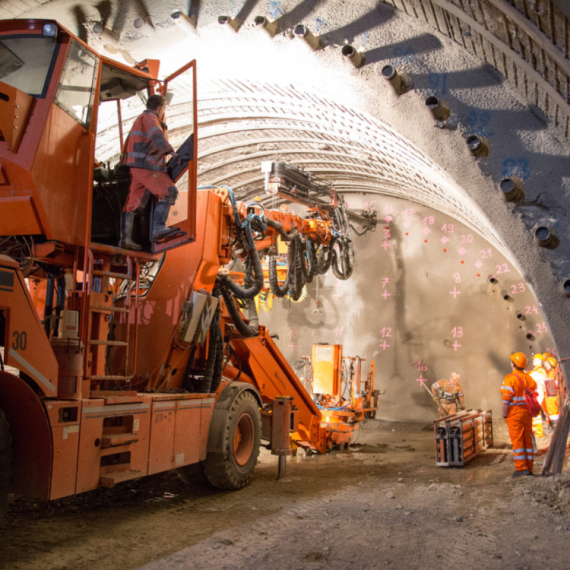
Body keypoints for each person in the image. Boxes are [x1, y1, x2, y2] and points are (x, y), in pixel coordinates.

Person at [119, 94, 180, 250]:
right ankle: (158, 228)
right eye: (163, 109)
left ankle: (125, 239)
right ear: (159, 109)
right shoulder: (150, 118)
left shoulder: (141, 119)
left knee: (133, 203)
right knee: (169, 192)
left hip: (136, 166)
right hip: (147, 165)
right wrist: (170, 152)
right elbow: (156, 135)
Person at [500, 352, 537, 477]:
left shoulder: (510, 379)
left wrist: (505, 415)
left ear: (513, 364)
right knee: (528, 441)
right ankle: (529, 468)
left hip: (515, 414)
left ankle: (521, 468)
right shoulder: (529, 378)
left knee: (518, 441)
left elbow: (506, 400)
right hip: (527, 414)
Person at [529, 353, 547, 438]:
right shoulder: (536, 370)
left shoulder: (540, 371)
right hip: (535, 394)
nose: (533, 361)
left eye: (535, 359)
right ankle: (535, 431)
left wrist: (530, 374)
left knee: (536, 415)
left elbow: (540, 380)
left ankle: (539, 433)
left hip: (538, 393)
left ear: (539, 361)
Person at [543, 356, 560, 430]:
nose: (545, 363)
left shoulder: (552, 372)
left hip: (552, 398)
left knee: (554, 413)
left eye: (547, 362)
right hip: (550, 397)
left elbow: (551, 390)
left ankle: (556, 427)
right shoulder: (550, 372)